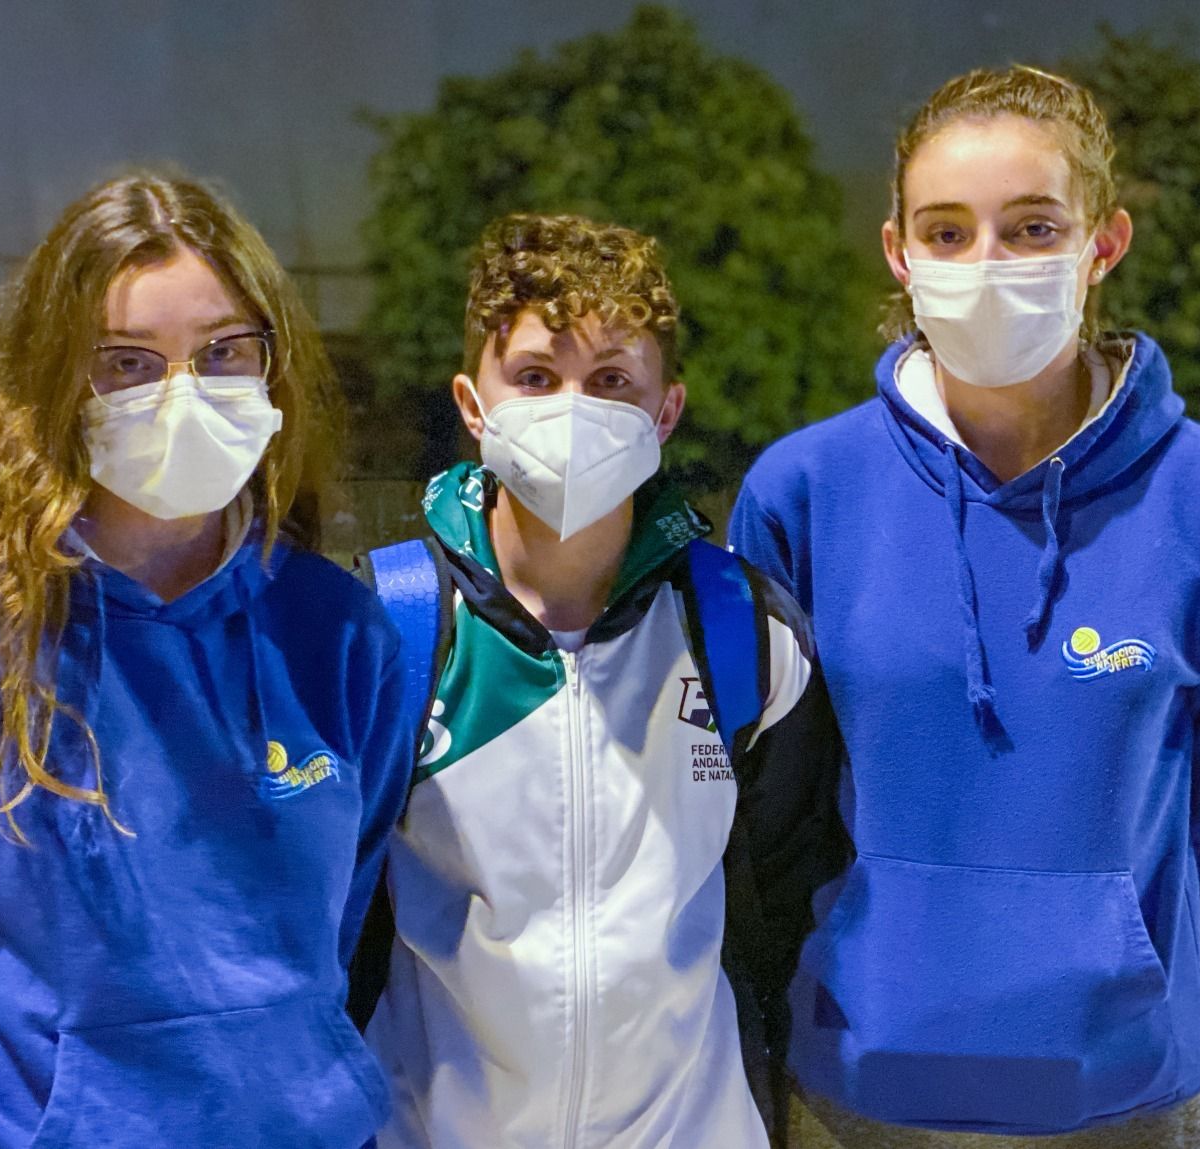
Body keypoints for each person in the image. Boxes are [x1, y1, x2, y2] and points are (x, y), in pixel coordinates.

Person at [0, 173, 411, 1149]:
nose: (183, 395)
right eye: (128, 363)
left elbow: (334, 935)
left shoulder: (339, 633)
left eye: (224, 352)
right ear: (54, 383)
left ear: (273, 364)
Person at [730, 66, 1200, 1148]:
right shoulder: (801, 492)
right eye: (946, 233)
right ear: (897, 252)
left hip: (1117, 1099)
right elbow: (768, 812)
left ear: (1103, 243)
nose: (987, 263)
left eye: (1031, 226)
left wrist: (1122, 985)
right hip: (861, 1092)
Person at [357, 212, 849, 1148]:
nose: (574, 408)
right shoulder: (386, 628)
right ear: (473, 403)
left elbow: (785, 901)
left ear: (665, 412)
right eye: (537, 377)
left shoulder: (746, 632)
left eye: (612, 381)